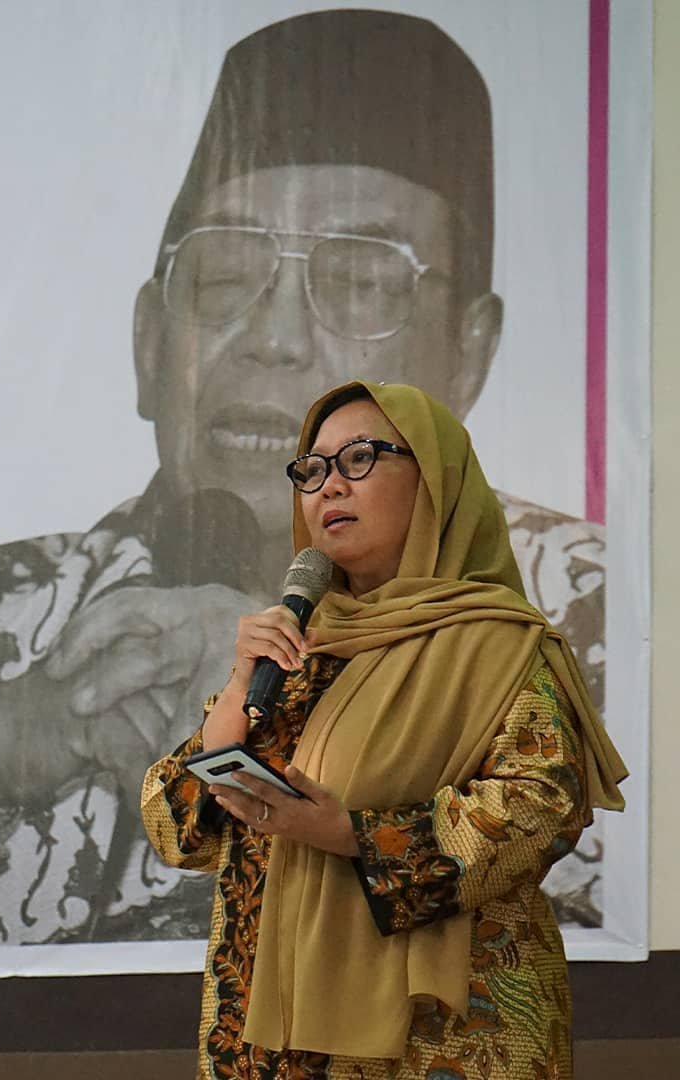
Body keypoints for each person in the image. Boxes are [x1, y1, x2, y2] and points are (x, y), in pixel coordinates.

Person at [0, 9, 605, 953]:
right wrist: (1, 746)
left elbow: (591, 939)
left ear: (469, 354)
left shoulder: (588, 619)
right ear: (149, 345)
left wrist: (310, 717)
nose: (274, 336)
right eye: (224, 279)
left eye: (360, 282)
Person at [141, 380, 626, 1080]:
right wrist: (236, 698)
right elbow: (174, 832)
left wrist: (351, 834)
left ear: (434, 481)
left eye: (360, 458)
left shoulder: (502, 644)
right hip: (267, 1035)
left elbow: (541, 807)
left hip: (445, 1039)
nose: (329, 487)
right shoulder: (293, 648)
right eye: (312, 470)